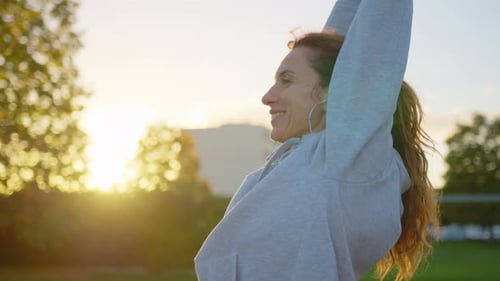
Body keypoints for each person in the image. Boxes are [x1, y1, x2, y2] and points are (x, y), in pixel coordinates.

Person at [195, 0, 439, 280]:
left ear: (334, 93)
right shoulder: (295, 166)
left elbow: (375, 33)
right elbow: (341, 44)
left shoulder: (346, 161)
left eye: (286, 81)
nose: (267, 97)